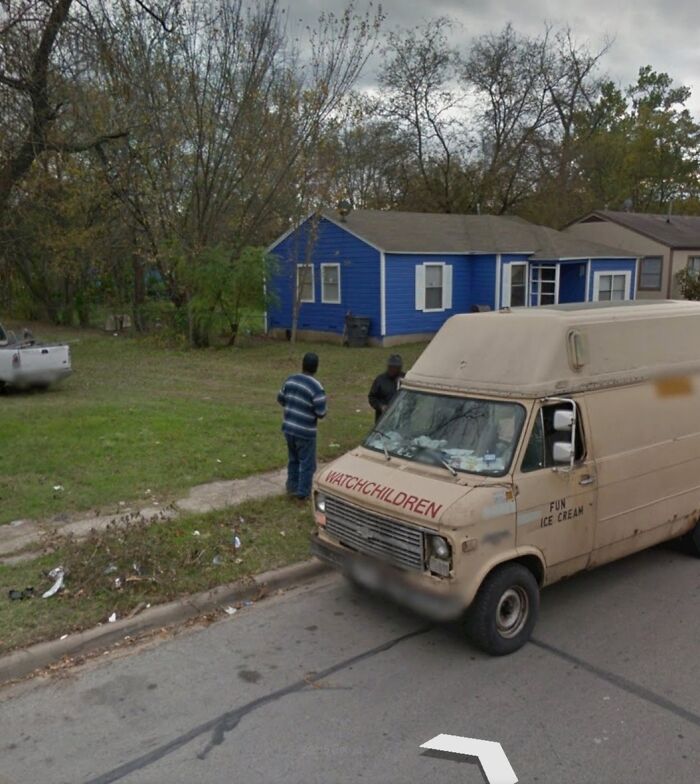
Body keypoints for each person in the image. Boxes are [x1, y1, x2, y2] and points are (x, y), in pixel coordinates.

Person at [277, 352, 327, 501]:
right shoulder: (316, 387)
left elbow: (280, 398)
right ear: (316, 368)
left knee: (293, 460)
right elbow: (321, 412)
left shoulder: (290, 380)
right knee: (307, 463)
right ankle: (303, 494)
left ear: (302, 364)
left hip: (289, 428)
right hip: (305, 432)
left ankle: (291, 487)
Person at [368, 354, 405, 423]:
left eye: (395, 368)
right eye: (391, 367)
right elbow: (372, 397)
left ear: (399, 368)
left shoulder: (405, 380)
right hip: (383, 418)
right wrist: (381, 406)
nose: (392, 370)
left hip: (401, 418)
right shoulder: (380, 380)